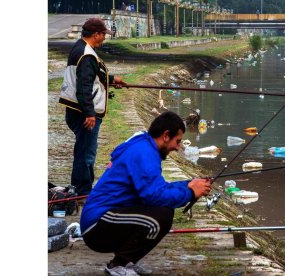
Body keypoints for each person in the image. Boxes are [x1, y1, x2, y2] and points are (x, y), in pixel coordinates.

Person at [80, 111, 212, 276]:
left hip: (109, 216)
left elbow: (157, 188)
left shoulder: (144, 144)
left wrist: (188, 184)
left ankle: (126, 262)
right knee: (161, 217)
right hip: (96, 225)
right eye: (177, 141)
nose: (177, 147)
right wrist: (190, 193)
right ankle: (117, 266)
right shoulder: (144, 153)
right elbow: (155, 196)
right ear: (165, 135)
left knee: (163, 211)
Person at [59, 18, 127, 196]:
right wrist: (89, 113)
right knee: (86, 154)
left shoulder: (80, 47)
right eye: (104, 34)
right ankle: (82, 193)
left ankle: (82, 190)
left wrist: (111, 80)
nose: (104, 38)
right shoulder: (87, 55)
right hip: (83, 114)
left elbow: (91, 75)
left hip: (75, 110)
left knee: (84, 150)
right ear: (96, 34)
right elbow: (84, 87)